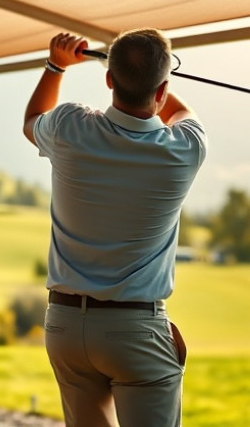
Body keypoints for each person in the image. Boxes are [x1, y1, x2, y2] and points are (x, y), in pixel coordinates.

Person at [23, 29, 207, 427]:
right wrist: (149, 74)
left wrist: (57, 65)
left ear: (108, 79)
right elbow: (179, 112)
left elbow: (31, 121)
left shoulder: (71, 124)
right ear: (162, 87)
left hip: (66, 327)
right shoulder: (186, 147)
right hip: (135, 331)